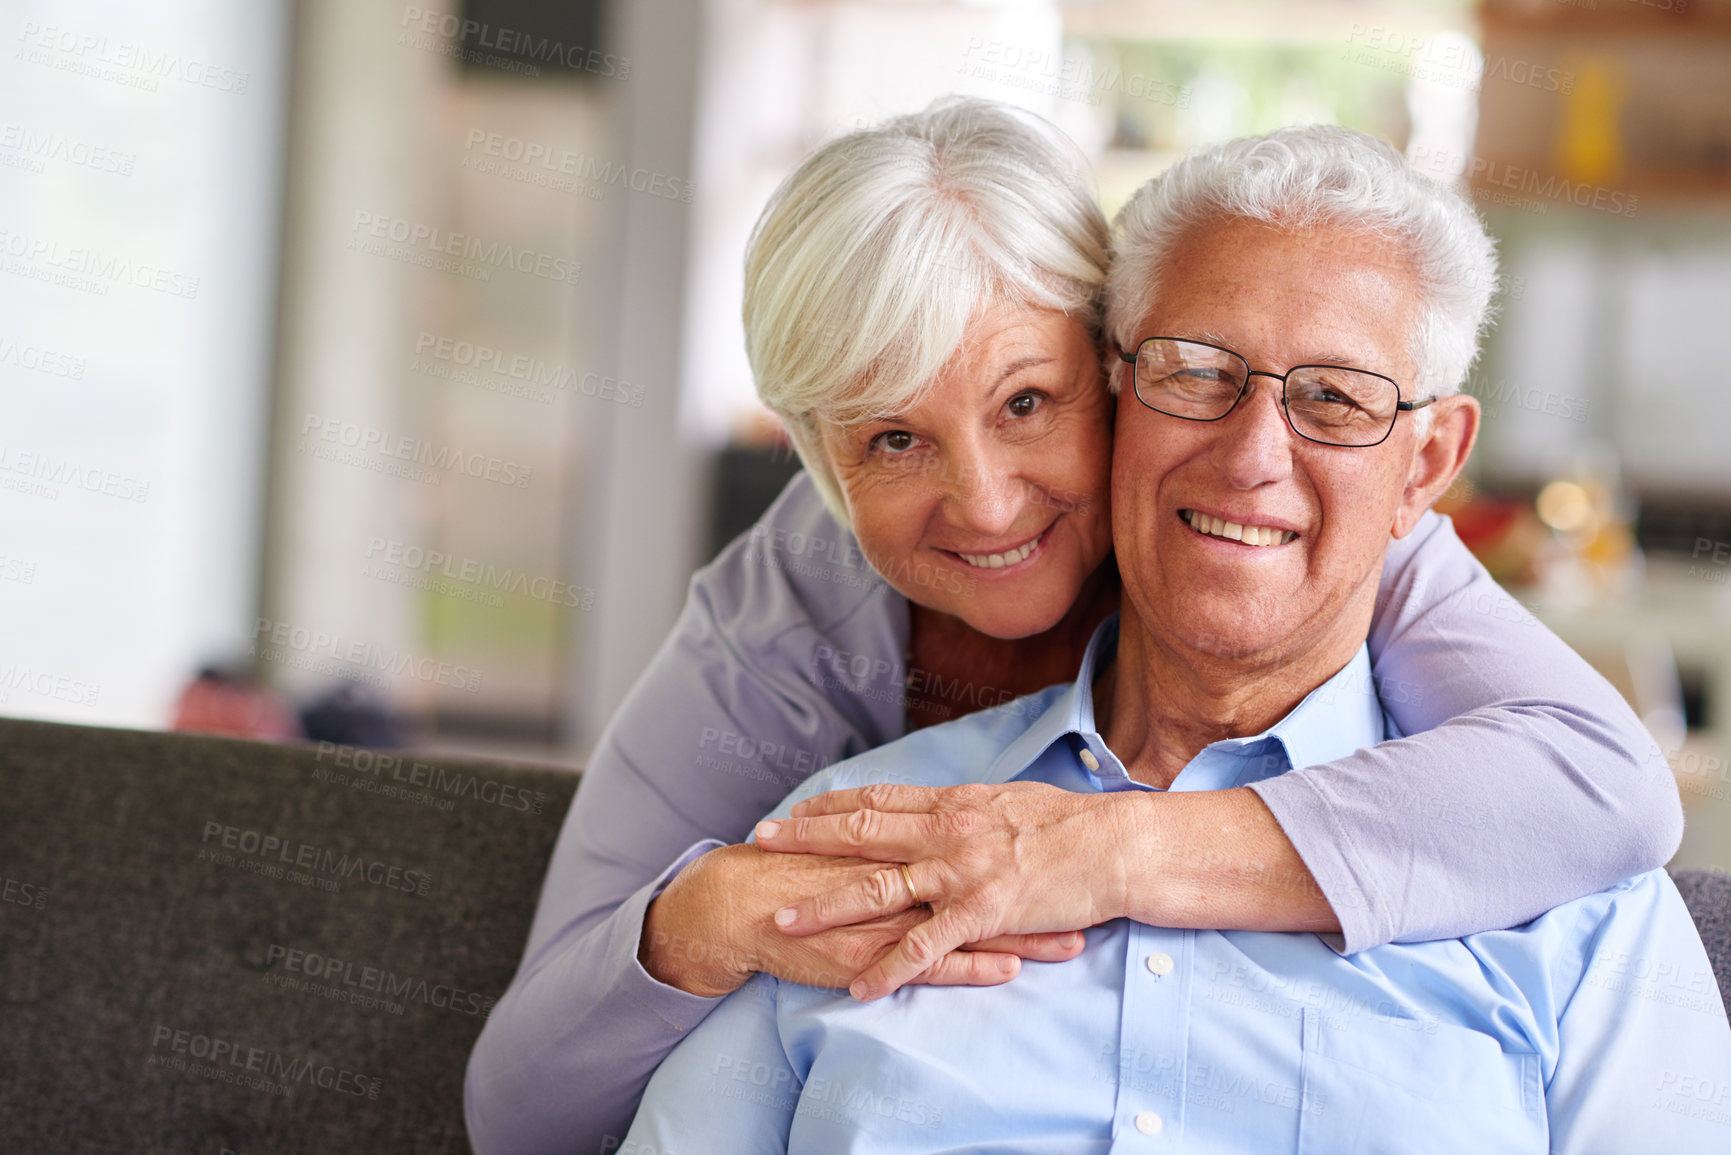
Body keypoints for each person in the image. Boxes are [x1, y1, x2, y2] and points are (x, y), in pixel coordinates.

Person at [464, 100, 1682, 1155]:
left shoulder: (1343, 531)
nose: (985, 500)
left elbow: (1611, 789)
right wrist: (711, 918)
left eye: (1027, 401)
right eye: (891, 437)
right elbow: (526, 1108)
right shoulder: (807, 668)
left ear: (1102, 368)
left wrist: (1100, 852)